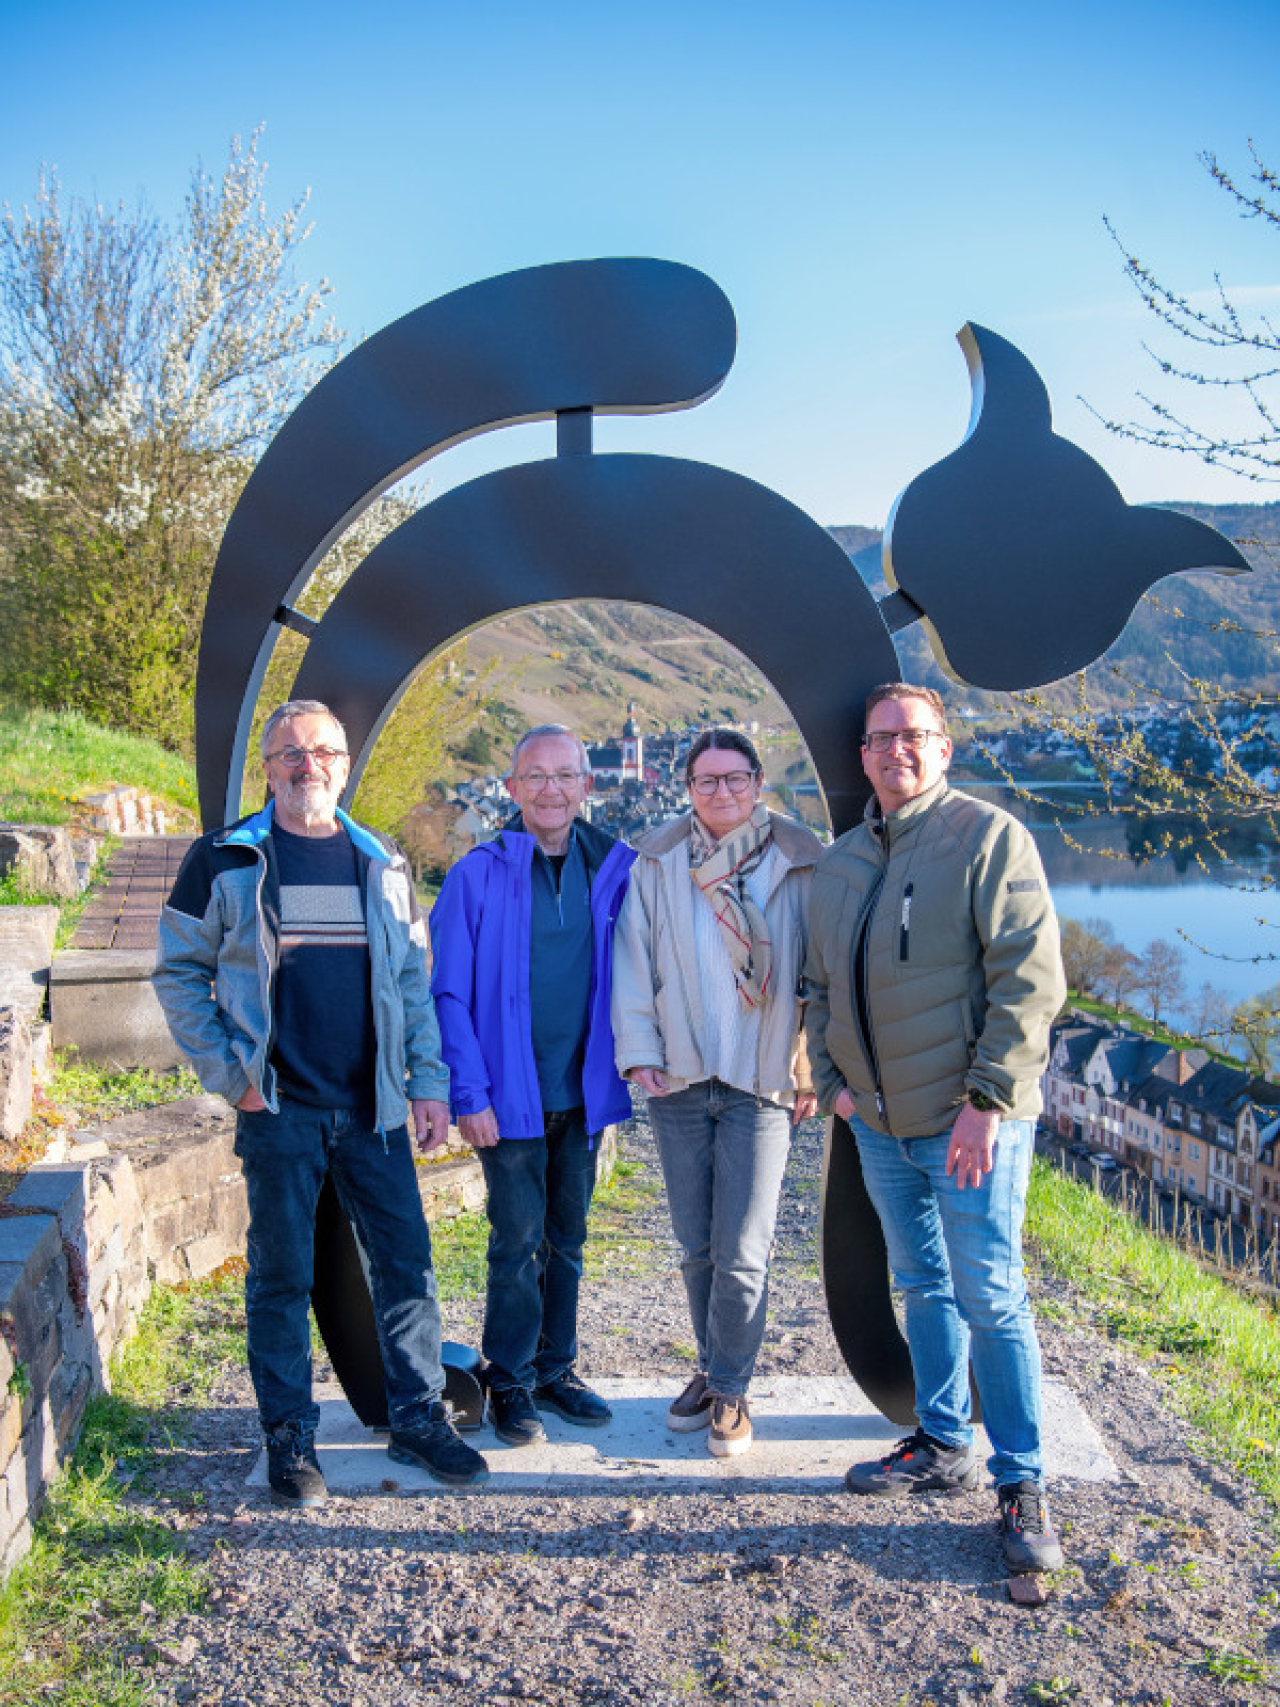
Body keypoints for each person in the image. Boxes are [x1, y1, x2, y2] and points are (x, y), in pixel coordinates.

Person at [153, 699, 488, 1507]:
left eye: (324, 752)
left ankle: (417, 1416)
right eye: (292, 754)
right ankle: (290, 1438)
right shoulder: (225, 858)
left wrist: (428, 1082)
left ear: (344, 764)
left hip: (374, 1109)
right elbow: (179, 972)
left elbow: (411, 982)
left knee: (406, 1267)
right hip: (279, 1110)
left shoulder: (382, 860)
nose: (309, 766)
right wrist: (232, 1075)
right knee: (281, 1278)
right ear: (269, 769)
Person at [804, 682, 1067, 1572]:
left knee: (991, 1293)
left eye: (914, 734)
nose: (897, 750)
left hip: (968, 1125)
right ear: (863, 755)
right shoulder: (840, 864)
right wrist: (836, 1088)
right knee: (922, 1282)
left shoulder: (988, 838)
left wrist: (987, 1102)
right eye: (881, 738)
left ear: (944, 747)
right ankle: (944, 1441)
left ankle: (1023, 1482)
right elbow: (818, 989)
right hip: (880, 1126)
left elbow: (1030, 981)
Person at [612, 729, 823, 1458]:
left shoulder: (800, 856)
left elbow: (819, 972)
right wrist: (640, 1053)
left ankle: (732, 1388)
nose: (721, 792)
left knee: (744, 1248)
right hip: (679, 1074)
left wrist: (809, 1067)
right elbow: (633, 959)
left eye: (735, 778)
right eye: (706, 780)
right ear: (688, 788)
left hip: (761, 1077)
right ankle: (710, 1367)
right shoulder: (657, 859)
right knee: (696, 1244)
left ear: (758, 782)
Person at [429, 725, 636, 1447]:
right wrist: (469, 1093)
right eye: (535, 776)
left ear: (586, 784)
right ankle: (510, 1377)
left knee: (567, 1239)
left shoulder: (616, 868)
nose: (551, 790)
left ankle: (555, 1369)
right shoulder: (477, 874)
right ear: (513, 787)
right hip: (507, 1098)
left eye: (565, 775)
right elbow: (447, 992)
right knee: (516, 1243)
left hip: (582, 1093)